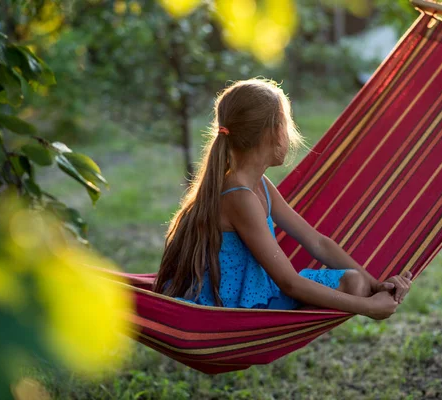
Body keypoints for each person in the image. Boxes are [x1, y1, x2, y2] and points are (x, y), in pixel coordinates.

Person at [153, 78, 412, 320]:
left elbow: (318, 243)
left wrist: (375, 284)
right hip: (238, 309)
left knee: (355, 281)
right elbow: (289, 282)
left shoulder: (260, 186)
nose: (289, 135)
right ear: (272, 133)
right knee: (349, 286)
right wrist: (369, 307)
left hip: (264, 291)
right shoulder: (238, 197)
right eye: (286, 125)